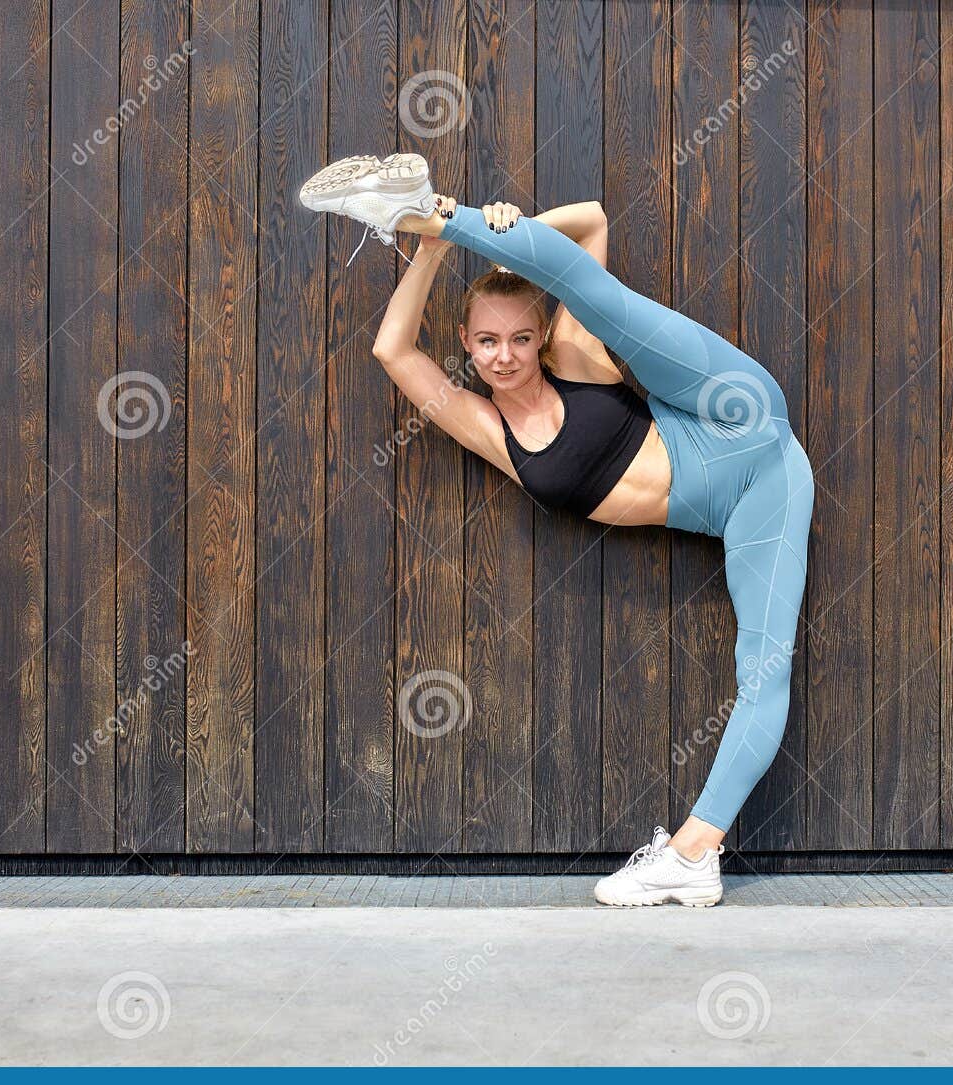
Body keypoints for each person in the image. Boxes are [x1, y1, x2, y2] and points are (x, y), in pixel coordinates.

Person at [300, 153, 815, 907]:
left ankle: (426, 205)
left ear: (538, 338)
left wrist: (504, 224)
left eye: (516, 337)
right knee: (764, 670)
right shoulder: (487, 429)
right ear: (468, 348)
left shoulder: (574, 351)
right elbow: (392, 351)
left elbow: (593, 219)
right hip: (763, 490)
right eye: (484, 342)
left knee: (592, 291)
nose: (502, 355)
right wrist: (434, 254)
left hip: (730, 408)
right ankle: (693, 854)